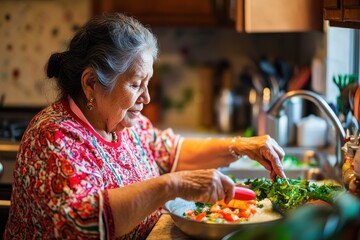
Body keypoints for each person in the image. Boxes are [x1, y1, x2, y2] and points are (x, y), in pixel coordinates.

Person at [4, 13, 286, 240]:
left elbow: (172, 150)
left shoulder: (124, 123)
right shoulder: (53, 136)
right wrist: (172, 184)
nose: (147, 97)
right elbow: (80, 222)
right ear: (91, 83)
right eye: (136, 84)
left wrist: (241, 146)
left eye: (147, 83)